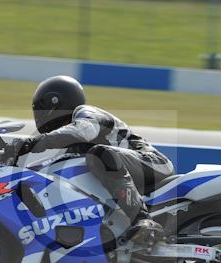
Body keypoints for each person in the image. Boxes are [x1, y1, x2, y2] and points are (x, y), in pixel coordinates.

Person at [14, 75, 175, 244]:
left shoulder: (86, 114)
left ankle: (142, 219)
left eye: (40, 108)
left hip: (153, 163)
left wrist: (33, 143)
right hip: (131, 170)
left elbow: (84, 131)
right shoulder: (71, 146)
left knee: (99, 154)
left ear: (55, 103)